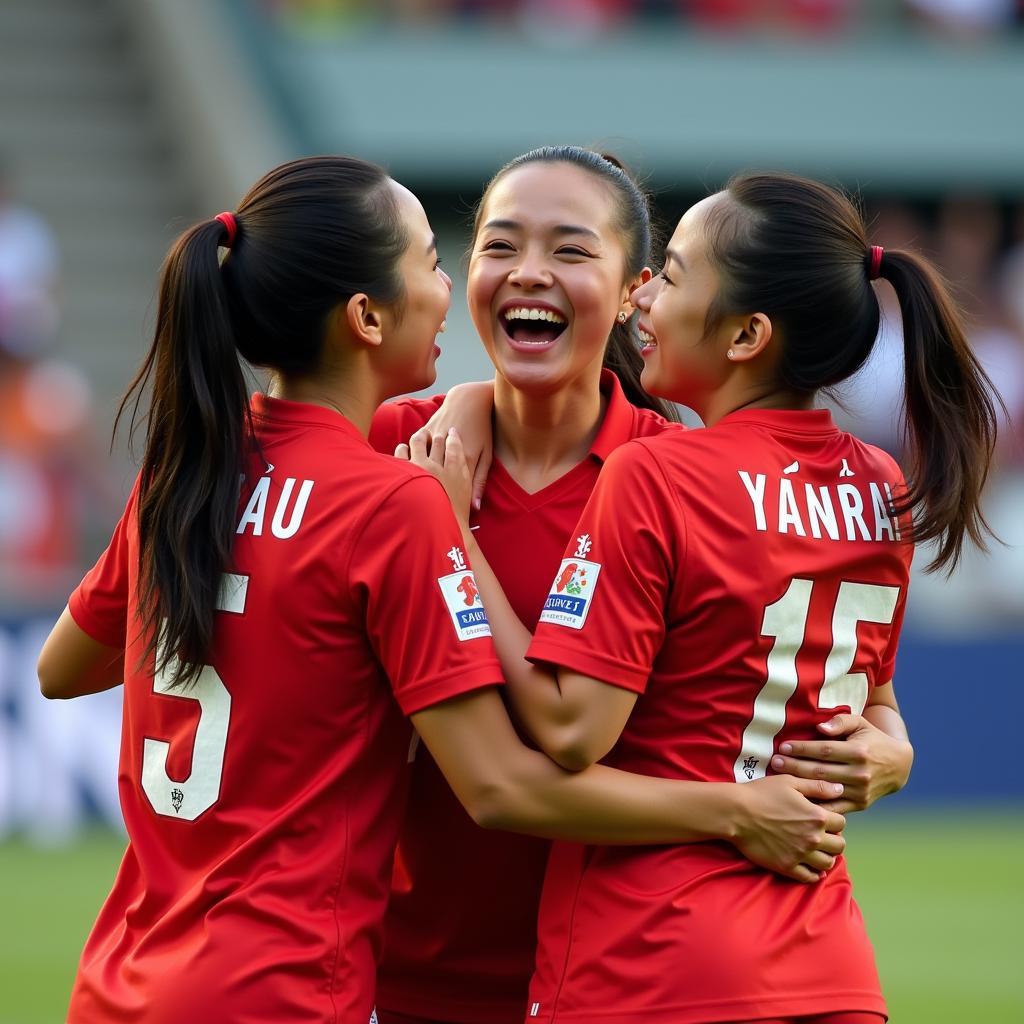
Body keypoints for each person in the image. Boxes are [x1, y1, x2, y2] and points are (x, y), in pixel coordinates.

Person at [35, 156, 847, 1024]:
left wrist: (886, 736)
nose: (520, 270)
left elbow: (68, 666)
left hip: (574, 979)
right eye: (486, 246)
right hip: (365, 980)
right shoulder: (394, 473)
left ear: (632, 293)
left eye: (570, 250)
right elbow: (502, 784)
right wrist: (733, 812)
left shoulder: (208, 462)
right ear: (369, 315)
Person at [415, 171, 998, 1024]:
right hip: (828, 961)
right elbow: (871, 703)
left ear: (747, 335)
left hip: (656, 962)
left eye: (676, 276)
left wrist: (451, 537)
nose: (647, 301)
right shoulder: (876, 484)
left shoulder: (660, 472)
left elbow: (571, 728)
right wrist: (895, 748)